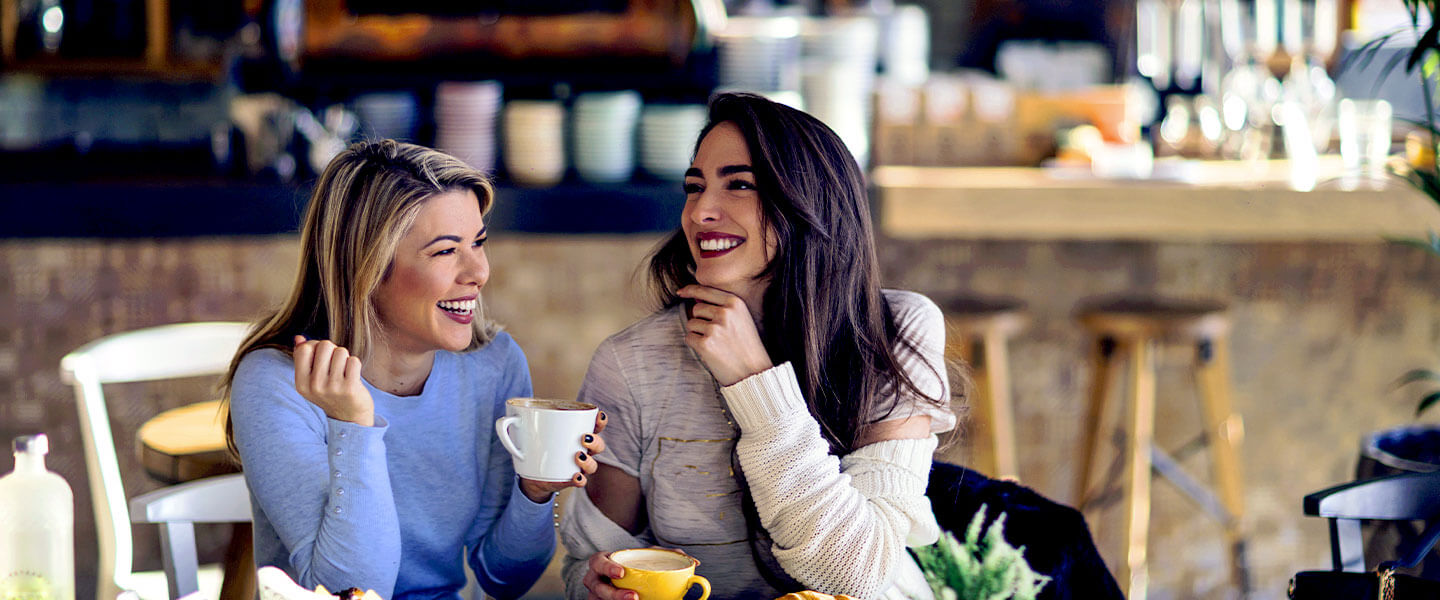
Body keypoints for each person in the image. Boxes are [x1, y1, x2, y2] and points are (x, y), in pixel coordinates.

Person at [560, 93, 959, 600]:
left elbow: (858, 575)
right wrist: (595, 587)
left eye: (740, 184)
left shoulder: (894, 329)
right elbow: (587, 566)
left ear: (810, 203)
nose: (701, 211)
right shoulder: (632, 362)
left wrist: (753, 380)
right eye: (694, 187)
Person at [219, 140, 606, 600]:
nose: (478, 272)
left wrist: (535, 491)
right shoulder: (278, 382)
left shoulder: (493, 364)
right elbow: (352, 590)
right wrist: (353, 426)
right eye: (445, 252)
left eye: (478, 243)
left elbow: (506, 579)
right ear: (366, 267)